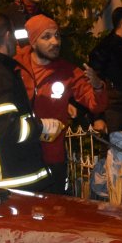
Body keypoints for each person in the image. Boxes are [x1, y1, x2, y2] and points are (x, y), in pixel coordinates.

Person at [17, 14, 109, 194]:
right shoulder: (16, 67)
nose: (55, 41)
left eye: (57, 35)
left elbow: (95, 104)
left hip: (53, 158)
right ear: (33, 42)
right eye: (46, 37)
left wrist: (98, 85)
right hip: (21, 156)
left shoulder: (68, 72)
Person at [0, 13, 56, 192]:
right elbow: (5, 128)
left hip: (11, 180)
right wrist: (41, 127)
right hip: (12, 182)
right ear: (8, 35)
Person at [88, 6, 122, 133]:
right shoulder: (105, 48)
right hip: (113, 109)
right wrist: (98, 117)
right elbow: (94, 81)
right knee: (113, 147)